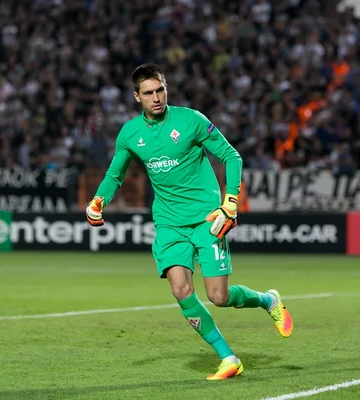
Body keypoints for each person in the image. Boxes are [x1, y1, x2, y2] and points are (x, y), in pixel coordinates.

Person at [85, 64, 293, 380]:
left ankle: (268, 299)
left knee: (218, 297)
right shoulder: (130, 133)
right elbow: (116, 175)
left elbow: (231, 156)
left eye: (160, 90)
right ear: (136, 97)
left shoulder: (191, 120)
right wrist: (99, 200)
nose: (156, 98)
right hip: (168, 223)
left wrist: (231, 201)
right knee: (180, 288)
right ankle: (228, 358)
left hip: (207, 219)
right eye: (148, 93)